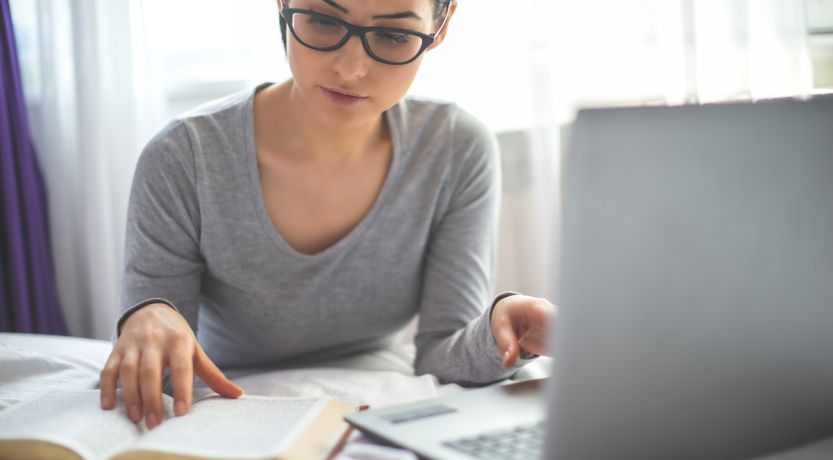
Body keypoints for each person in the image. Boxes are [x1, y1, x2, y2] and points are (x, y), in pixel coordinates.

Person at [99, 0, 556, 430]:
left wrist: (503, 330)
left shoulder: (455, 150)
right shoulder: (184, 157)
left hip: (381, 403)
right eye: (323, 20)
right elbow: (159, 370)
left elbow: (440, 357)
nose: (350, 68)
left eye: (394, 36)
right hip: (226, 408)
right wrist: (150, 315)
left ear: (440, 26)